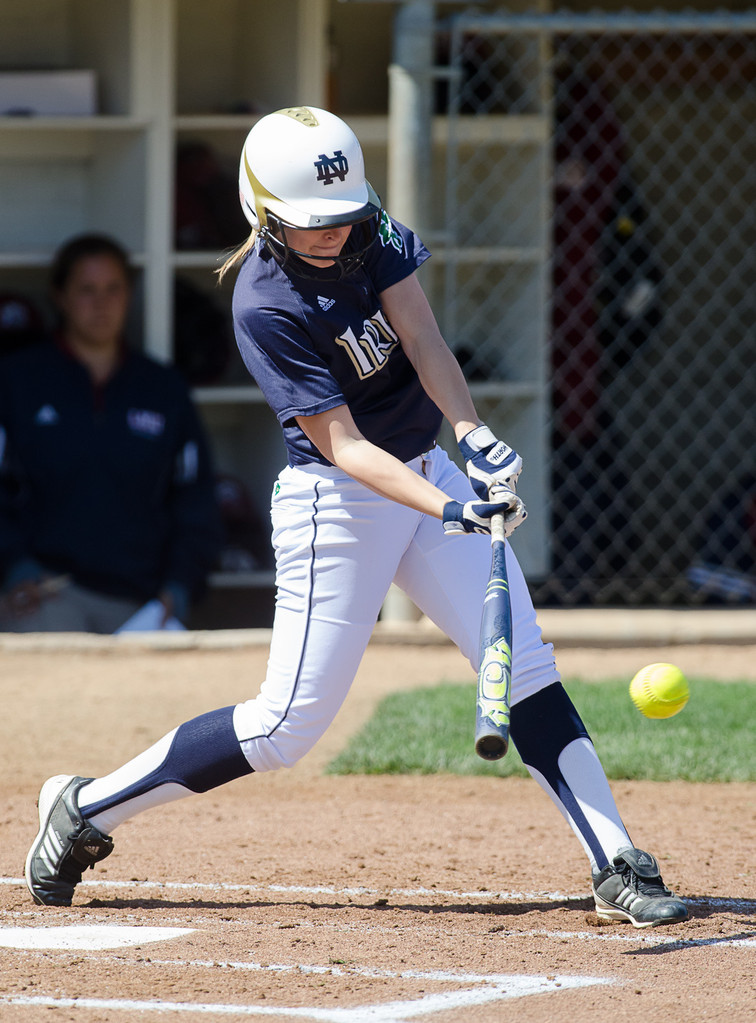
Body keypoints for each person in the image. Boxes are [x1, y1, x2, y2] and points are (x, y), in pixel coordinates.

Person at [23, 108, 687, 928]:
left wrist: (472, 436)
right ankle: (86, 808)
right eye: (312, 225)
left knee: (524, 669)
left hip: (427, 469)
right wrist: (452, 505)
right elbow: (343, 446)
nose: (333, 236)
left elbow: (421, 335)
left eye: (342, 218)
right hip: (336, 504)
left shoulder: (367, 227)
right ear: (263, 212)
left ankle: (615, 861)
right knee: (284, 726)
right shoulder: (263, 305)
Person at [0, 234, 221, 633]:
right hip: (47, 592)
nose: (101, 303)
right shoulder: (17, 381)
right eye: (87, 290)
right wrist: (15, 565)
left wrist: (180, 586)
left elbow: (196, 502)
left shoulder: (162, 388)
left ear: (129, 295)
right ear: (60, 296)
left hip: (143, 599)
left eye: (113, 289)